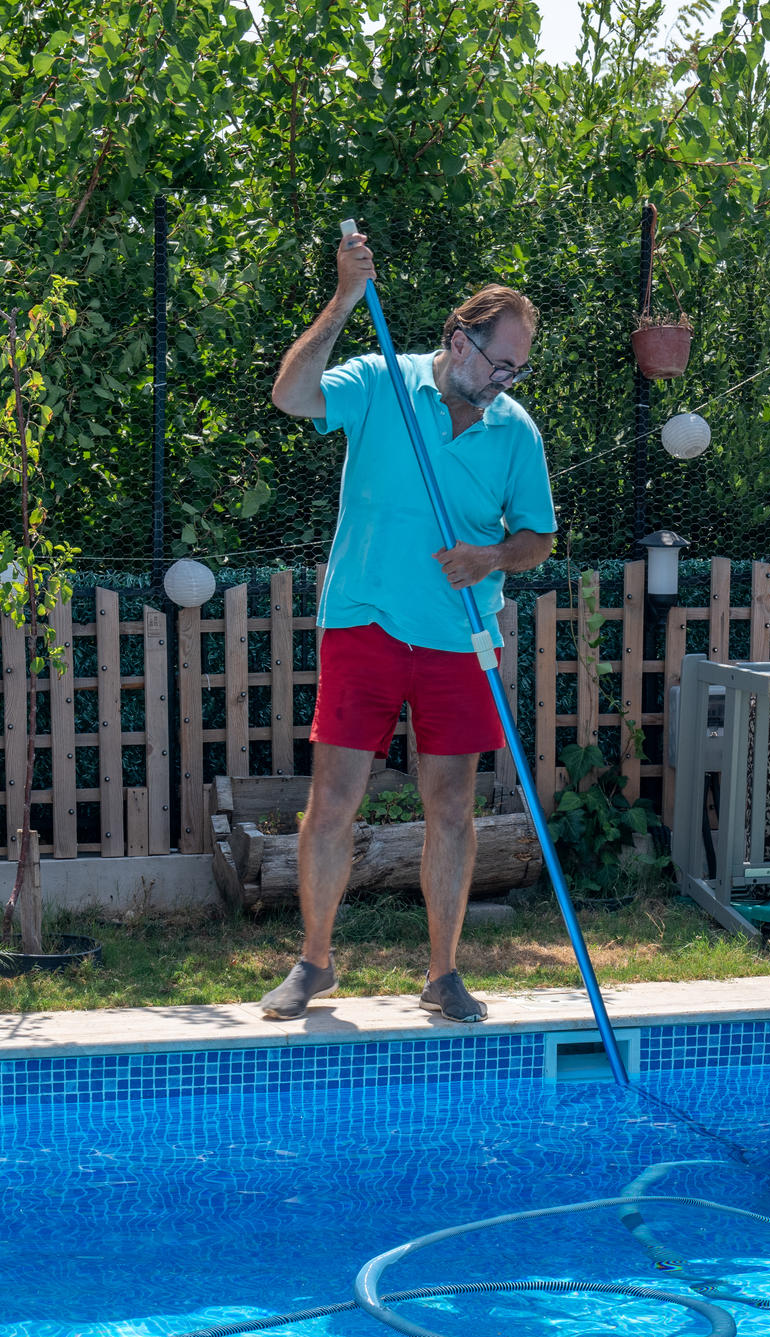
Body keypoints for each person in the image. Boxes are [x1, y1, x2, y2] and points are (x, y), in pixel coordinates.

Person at [256, 227, 556, 1024]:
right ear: (459, 340)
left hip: (460, 634)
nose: (506, 379)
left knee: (452, 805)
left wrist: (491, 557)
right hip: (366, 619)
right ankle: (315, 964)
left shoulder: (514, 429)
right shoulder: (380, 382)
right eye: (499, 361)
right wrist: (346, 299)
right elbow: (291, 394)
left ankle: (443, 973)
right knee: (334, 800)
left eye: (518, 369)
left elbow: (538, 537)